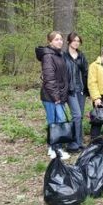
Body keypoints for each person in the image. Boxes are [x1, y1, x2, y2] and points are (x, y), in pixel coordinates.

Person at [35, 31, 70, 160]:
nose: (60, 41)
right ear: (50, 42)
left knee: (58, 120)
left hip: (58, 95)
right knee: (55, 121)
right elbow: (49, 79)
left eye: (61, 39)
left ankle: (55, 146)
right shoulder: (48, 56)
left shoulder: (59, 54)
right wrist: (56, 97)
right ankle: (54, 148)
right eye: (56, 39)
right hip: (51, 96)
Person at [63, 32, 89, 152]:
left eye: (78, 41)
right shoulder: (64, 56)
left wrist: (88, 90)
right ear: (69, 41)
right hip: (70, 90)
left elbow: (86, 72)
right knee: (77, 115)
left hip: (81, 89)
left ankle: (79, 142)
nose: (76, 43)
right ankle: (73, 143)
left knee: (80, 117)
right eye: (74, 40)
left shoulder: (81, 56)